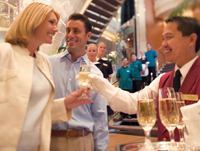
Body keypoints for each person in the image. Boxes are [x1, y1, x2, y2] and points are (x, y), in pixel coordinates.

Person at [87, 16, 200, 142]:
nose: (163, 44)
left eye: (169, 37)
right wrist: (102, 86)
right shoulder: (163, 79)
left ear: (191, 39)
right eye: (163, 39)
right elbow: (133, 102)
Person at [0, 2, 93, 151]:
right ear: (33, 20)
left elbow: (37, 110)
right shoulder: (5, 53)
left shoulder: (43, 62)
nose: (57, 29)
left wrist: (65, 104)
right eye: (51, 22)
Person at [48, 13, 109, 151]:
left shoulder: (96, 74)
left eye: (76, 31)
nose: (70, 35)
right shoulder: (48, 64)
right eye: (68, 30)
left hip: (83, 142)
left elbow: (100, 118)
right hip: (51, 141)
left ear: (88, 36)